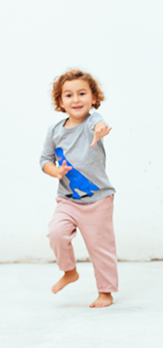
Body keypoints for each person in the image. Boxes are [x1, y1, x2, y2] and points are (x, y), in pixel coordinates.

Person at [40, 70, 118, 308]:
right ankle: (69, 271)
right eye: (69, 95)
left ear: (93, 98)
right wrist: (55, 171)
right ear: (60, 101)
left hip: (98, 200)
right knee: (56, 233)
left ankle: (105, 292)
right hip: (67, 200)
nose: (76, 100)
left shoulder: (92, 122)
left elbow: (99, 124)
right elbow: (45, 160)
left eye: (82, 93)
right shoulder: (55, 131)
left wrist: (100, 130)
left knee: (100, 247)